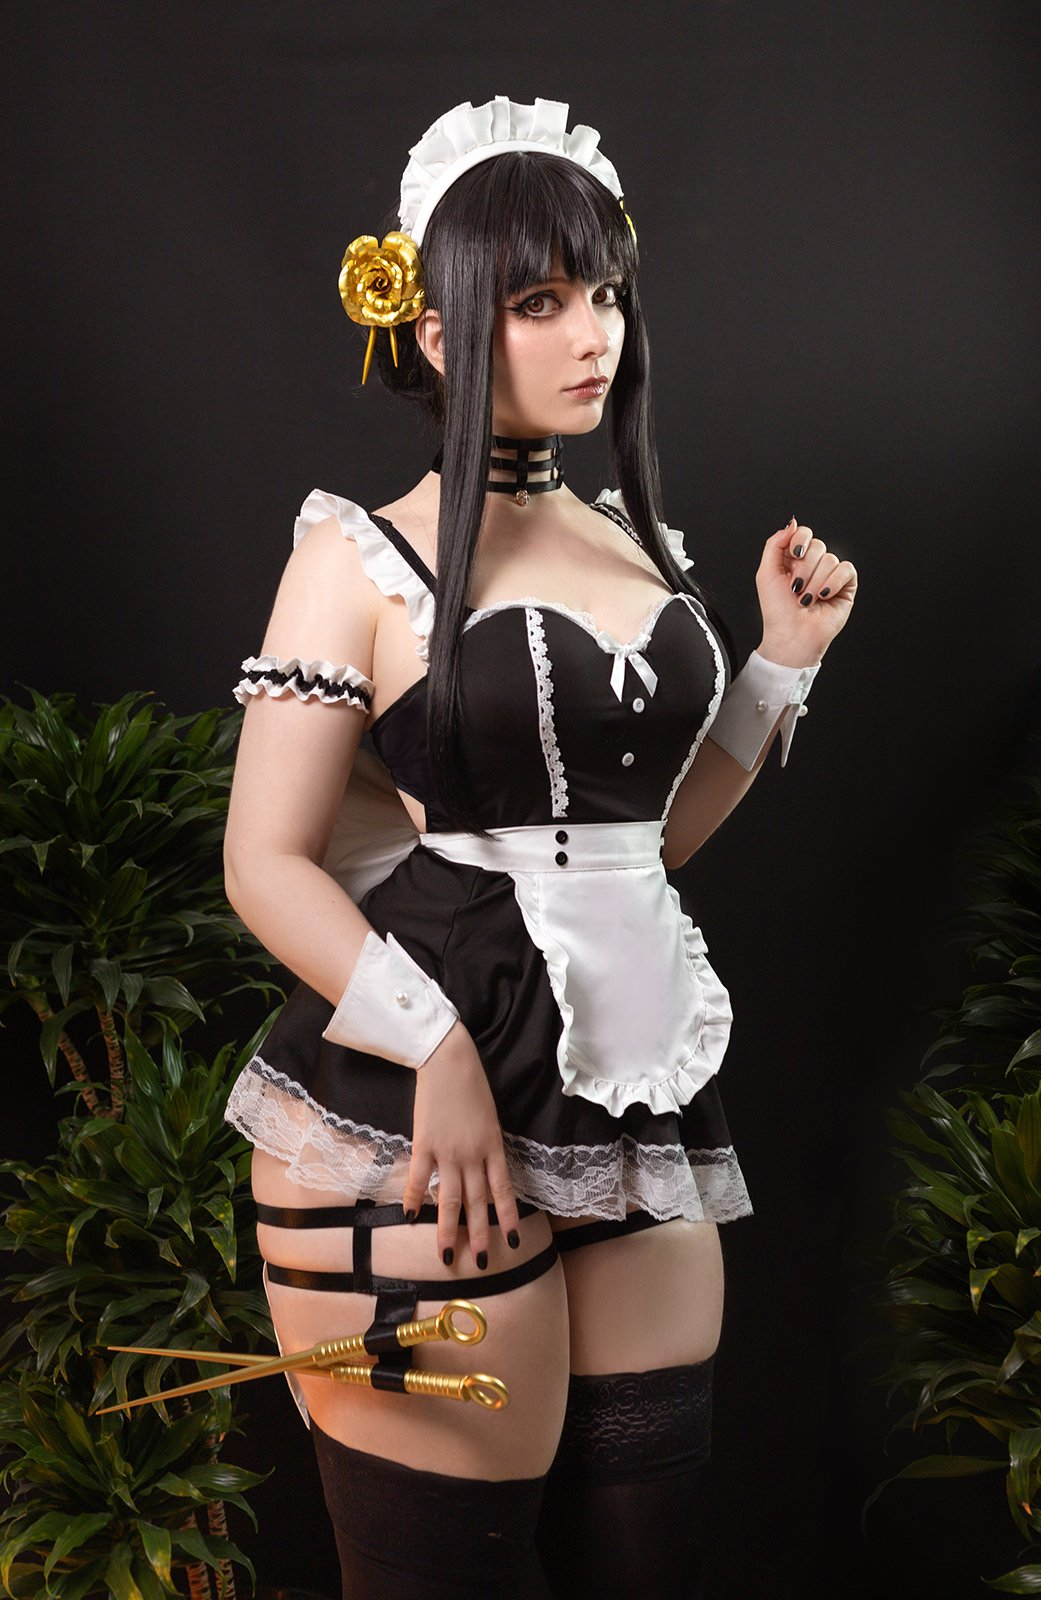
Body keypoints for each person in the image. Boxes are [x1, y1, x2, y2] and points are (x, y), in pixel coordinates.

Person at [222, 94, 857, 1600]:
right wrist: (434, 1050)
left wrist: (782, 663)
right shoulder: (358, 557)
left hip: (632, 1104)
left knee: (648, 1561)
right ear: (439, 332)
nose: (596, 336)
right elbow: (267, 862)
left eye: (608, 295)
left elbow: (642, 848)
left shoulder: (640, 541)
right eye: (541, 302)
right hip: (420, 1104)